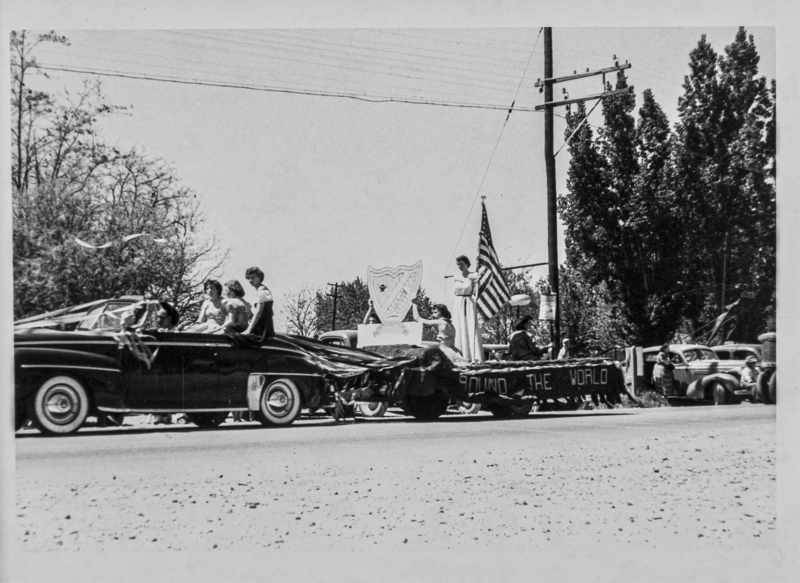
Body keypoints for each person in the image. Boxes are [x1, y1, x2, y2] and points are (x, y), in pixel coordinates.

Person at [452, 255, 484, 362]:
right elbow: (456, 290)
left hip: (469, 302)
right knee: (459, 327)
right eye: (458, 264)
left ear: (466, 264)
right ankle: (460, 355)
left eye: (461, 264)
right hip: (458, 303)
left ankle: (474, 357)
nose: (460, 266)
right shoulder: (456, 276)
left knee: (470, 326)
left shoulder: (473, 275)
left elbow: (477, 289)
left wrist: (476, 280)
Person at [243, 266, 275, 340]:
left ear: (260, 277)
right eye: (248, 278)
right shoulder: (260, 290)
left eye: (253, 277)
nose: (250, 280)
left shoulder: (262, 290)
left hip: (262, 329)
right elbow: (271, 312)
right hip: (261, 326)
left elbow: (259, 312)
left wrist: (249, 330)